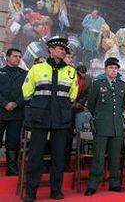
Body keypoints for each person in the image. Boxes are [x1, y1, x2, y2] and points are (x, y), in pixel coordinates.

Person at [22, 37, 78, 201]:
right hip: (40, 119)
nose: (63, 51)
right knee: (35, 157)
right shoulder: (36, 69)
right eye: (60, 49)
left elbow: (72, 95)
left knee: (59, 157)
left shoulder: (71, 71)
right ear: (51, 50)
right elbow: (26, 92)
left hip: (61, 119)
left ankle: (56, 191)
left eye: (64, 50)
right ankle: (31, 193)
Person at [84, 57, 125, 195]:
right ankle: (93, 184)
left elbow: (124, 105)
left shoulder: (122, 85)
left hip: (116, 126)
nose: (113, 70)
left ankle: (114, 183)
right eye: (111, 68)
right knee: (99, 157)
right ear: (105, 69)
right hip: (102, 125)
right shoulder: (98, 84)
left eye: (116, 68)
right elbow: (91, 104)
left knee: (115, 156)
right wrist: (100, 117)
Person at [0, 48, 27, 176]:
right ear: (8, 58)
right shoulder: (1, 72)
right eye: (15, 56)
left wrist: (16, 103)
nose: (18, 58)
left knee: (13, 141)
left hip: (16, 113)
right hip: (1, 112)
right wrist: (5, 103)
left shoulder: (24, 74)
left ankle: (11, 167)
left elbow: (26, 92)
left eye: (19, 56)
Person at [73, 65, 92, 133]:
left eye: (84, 72)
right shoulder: (73, 77)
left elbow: (88, 93)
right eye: (81, 72)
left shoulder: (88, 79)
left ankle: (78, 141)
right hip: (70, 105)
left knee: (79, 127)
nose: (83, 74)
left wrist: (80, 103)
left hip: (80, 106)